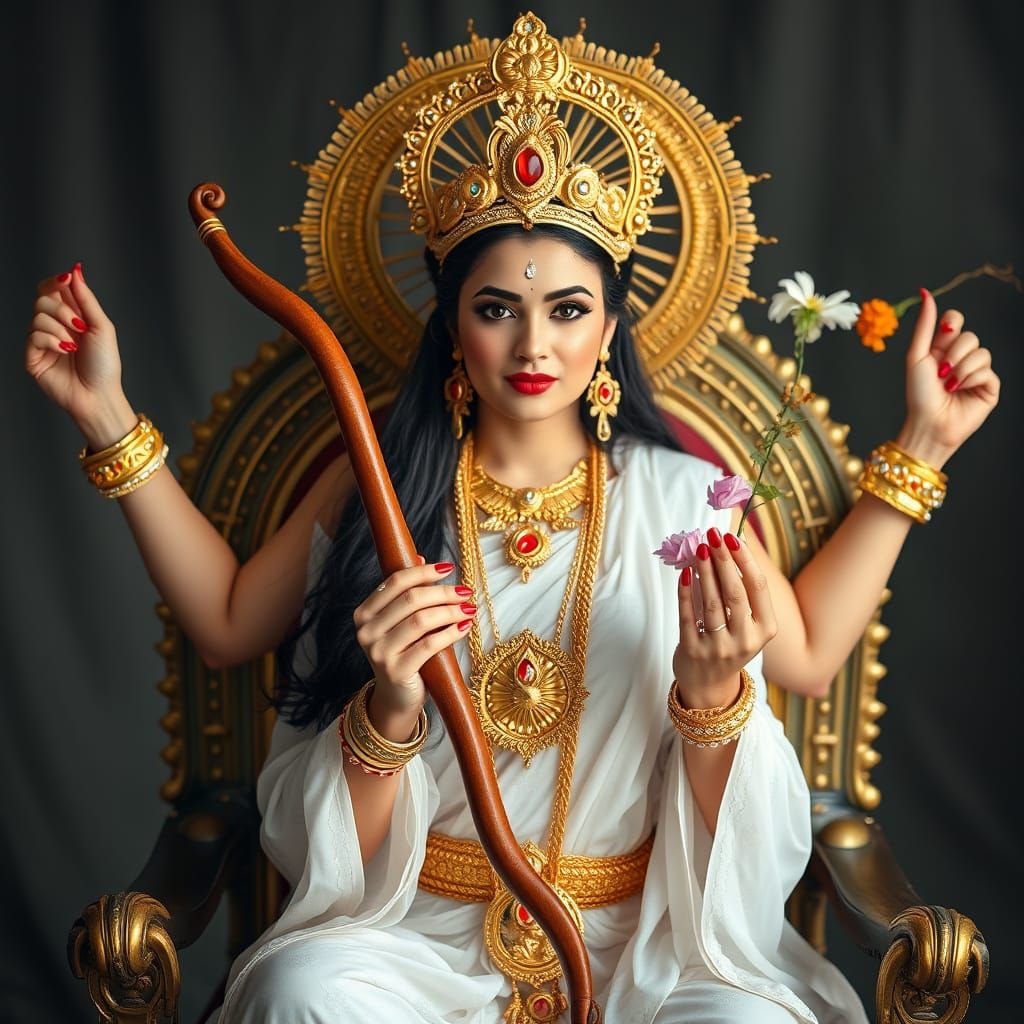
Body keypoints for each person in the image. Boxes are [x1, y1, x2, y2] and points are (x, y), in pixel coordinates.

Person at [25, 14, 999, 1024]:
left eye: (569, 309)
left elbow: (802, 659)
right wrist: (108, 417)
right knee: (304, 993)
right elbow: (227, 622)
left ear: (610, 327)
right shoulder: (385, 488)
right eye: (497, 308)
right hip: (416, 936)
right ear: (452, 323)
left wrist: (913, 456)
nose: (533, 342)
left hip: (639, 946)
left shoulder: (681, 495)